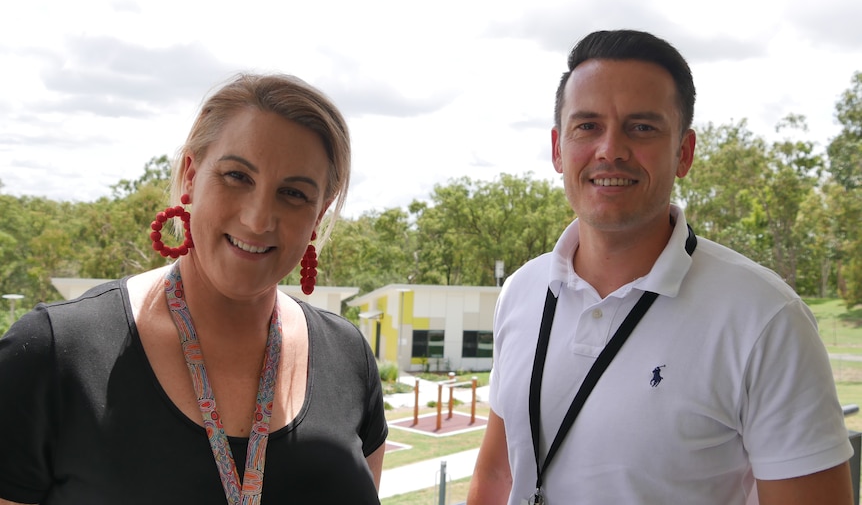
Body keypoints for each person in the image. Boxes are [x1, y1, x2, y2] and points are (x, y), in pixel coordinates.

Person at [468, 30, 854, 505]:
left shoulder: (766, 319)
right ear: (557, 149)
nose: (610, 149)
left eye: (642, 127)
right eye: (587, 126)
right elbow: (497, 478)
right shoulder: (522, 292)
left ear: (684, 153)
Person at [0, 73, 388, 504]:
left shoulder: (349, 357)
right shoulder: (52, 355)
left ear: (318, 217)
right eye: (238, 176)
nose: (258, 219)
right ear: (190, 175)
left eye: (293, 193)